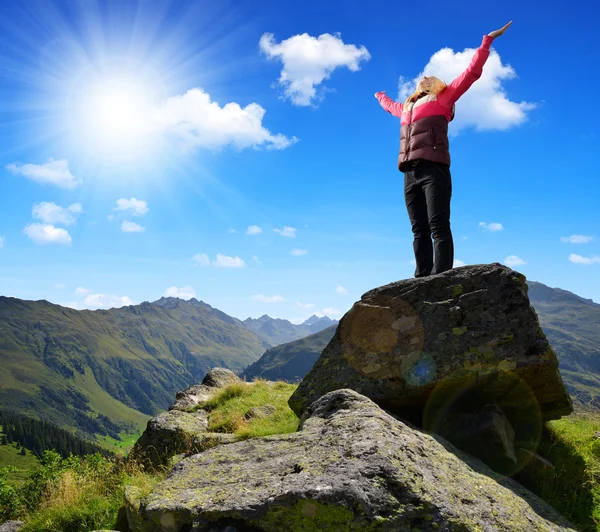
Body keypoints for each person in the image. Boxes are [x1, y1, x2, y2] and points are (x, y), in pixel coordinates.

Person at [374, 21, 512, 278]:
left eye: (431, 78)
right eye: (421, 78)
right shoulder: (406, 109)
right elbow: (389, 105)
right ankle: (422, 277)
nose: (425, 77)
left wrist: (486, 42)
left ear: (438, 85)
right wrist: (380, 95)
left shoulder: (444, 98)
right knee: (418, 229)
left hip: (434, 169)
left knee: (438, 225)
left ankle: (441, 277)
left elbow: (471, 73)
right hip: (409, 173)